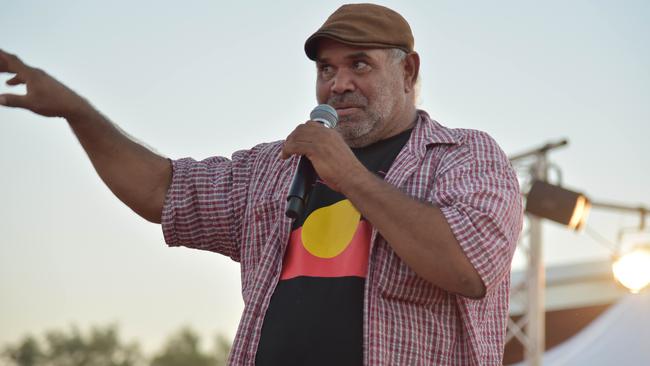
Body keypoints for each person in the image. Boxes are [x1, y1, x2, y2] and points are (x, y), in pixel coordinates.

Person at [0, 3, 522, 365]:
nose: (337, 83)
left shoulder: (464, 157)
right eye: (326, 68)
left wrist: (348, 176)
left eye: (358, 64)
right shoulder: (278, 166)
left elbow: (468, 266)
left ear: (408, 70)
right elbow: (164, 191)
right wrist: (76, 111)